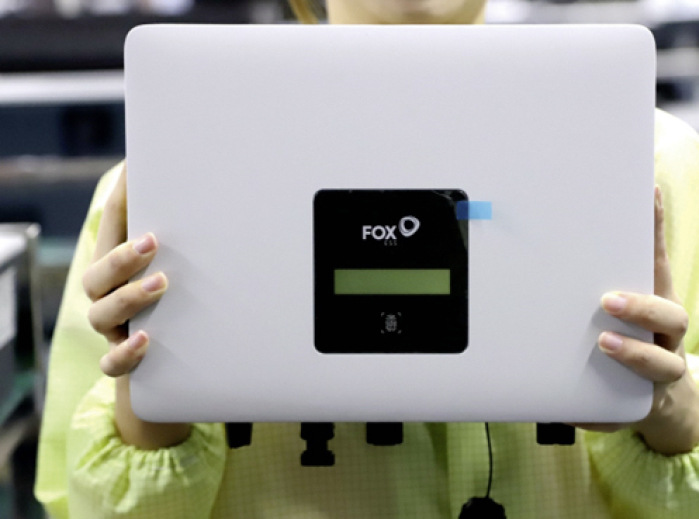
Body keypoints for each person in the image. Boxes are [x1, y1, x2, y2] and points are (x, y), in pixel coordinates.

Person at [35, 1, 699, 517]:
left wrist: (667, 407)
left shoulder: (654, 165)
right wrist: (155, 396)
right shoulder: (157, 187)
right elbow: (76, 504)